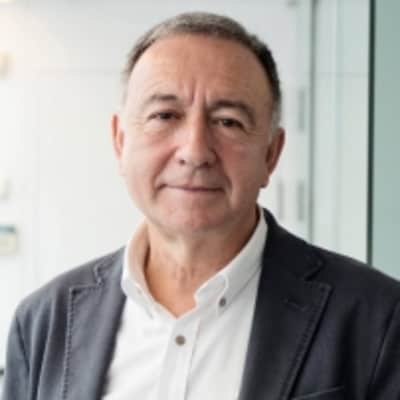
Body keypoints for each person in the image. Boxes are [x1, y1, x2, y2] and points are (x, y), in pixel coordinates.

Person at [3, 11, 400, 400]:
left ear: (271, 154)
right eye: (164, 115)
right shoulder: (44, 322)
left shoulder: (378, 318)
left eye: (228, 121)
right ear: (120, 141)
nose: (194, 151)